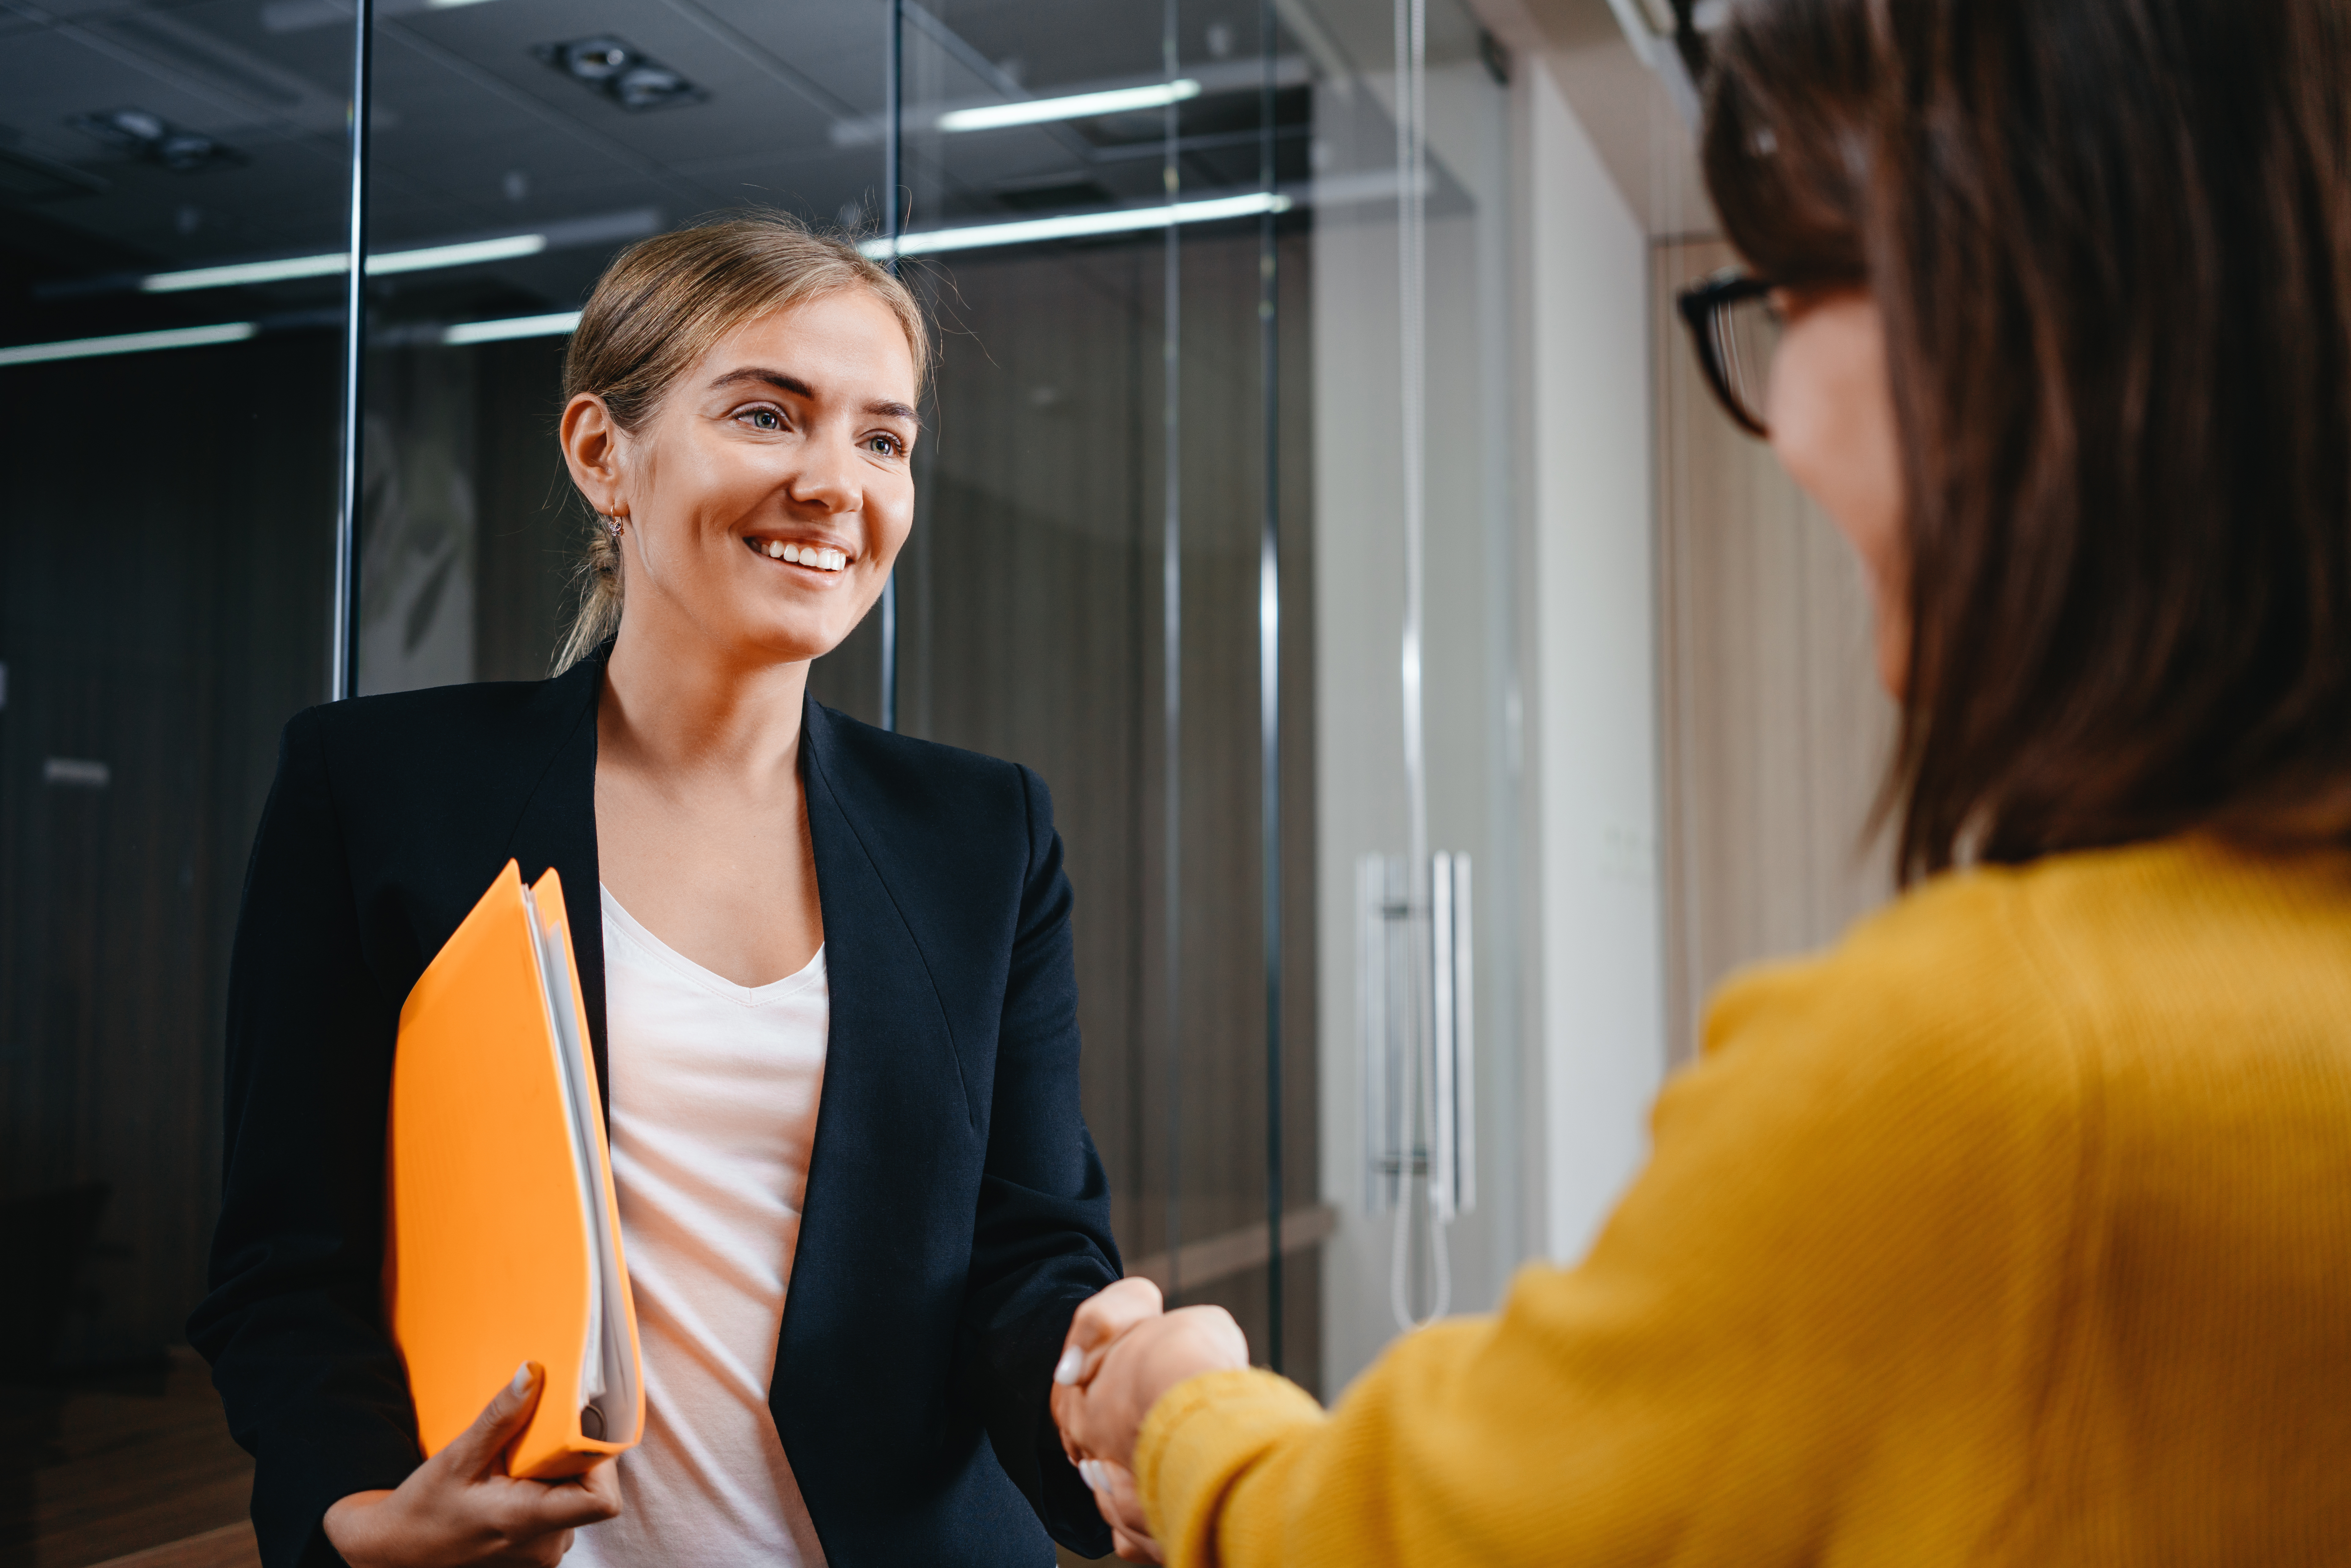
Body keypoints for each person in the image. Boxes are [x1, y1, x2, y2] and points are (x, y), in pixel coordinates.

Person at [1051, 0, 2351, 1561]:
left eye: (1795, 297)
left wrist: (1182, 1407)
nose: (1784, 425)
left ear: (2033, 315)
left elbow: (1409, 1537)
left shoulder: (1999, 1073)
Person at [187, 213, 1123, 1567]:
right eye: (766, 415)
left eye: (882, 439)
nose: (834, 483)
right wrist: (357, 1518)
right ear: (601, 454)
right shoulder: (378, 790)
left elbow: (1030, 1252)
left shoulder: (985, 833)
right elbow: (288, 1259)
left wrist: (1101, 1383)